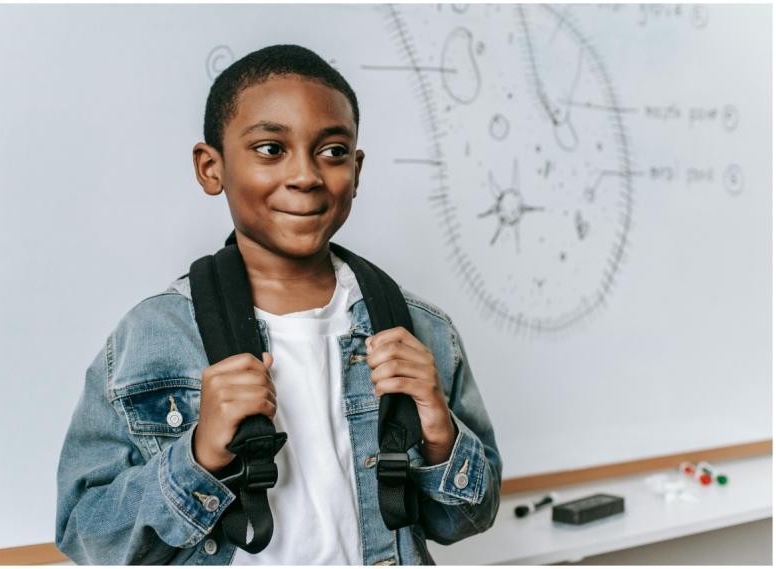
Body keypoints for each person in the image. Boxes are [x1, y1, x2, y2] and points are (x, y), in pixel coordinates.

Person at [55, 43, 502, 565]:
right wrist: (197, 456)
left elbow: (469, 518)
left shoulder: (421, 330)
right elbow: (86, 535)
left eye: (333, 151)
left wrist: (439, 428)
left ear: (356, 170)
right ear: (210, 168)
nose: (307, 175)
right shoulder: (152, 336)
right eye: (271, 148)